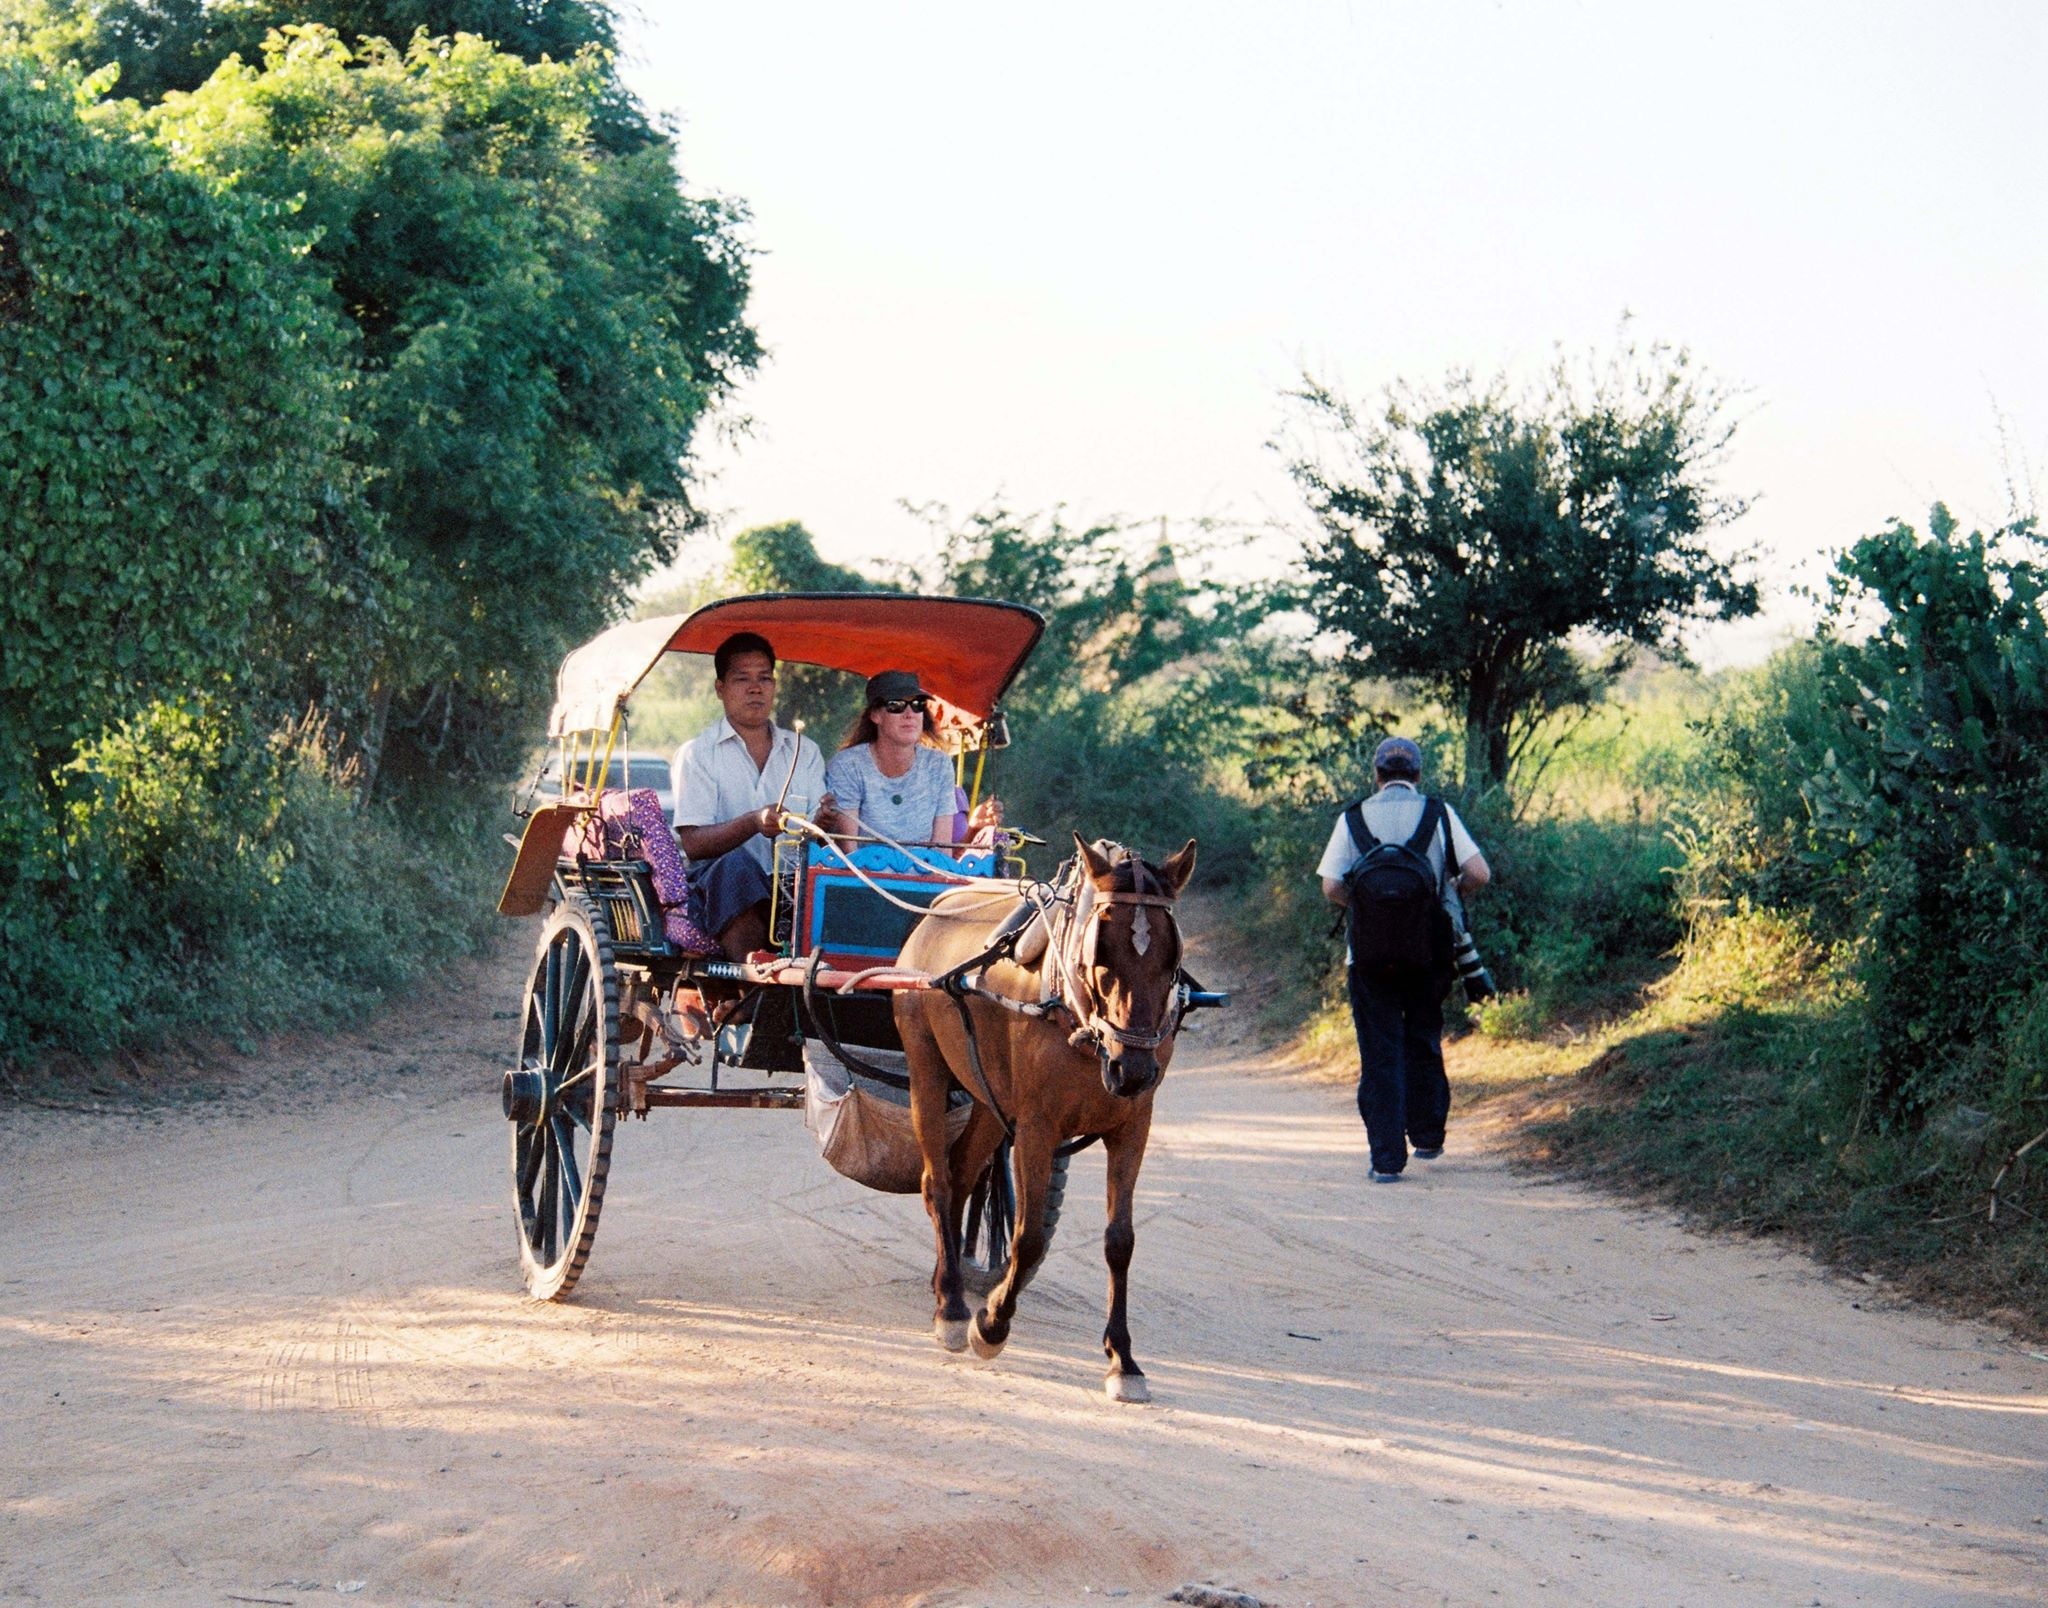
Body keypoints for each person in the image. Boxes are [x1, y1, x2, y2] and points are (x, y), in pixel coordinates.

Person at [1317, 736, 1490, 1182]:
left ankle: (1387, 1161)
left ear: (1376, 775)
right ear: (1417, 775)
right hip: (1428, 952)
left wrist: (1370, 908)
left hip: (1369, 957)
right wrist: (1443, 894)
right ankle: (1429, 1135)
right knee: (1423, 1037)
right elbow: (1478, 873)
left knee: (1380, 1052)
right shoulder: (1439, 813)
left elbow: (1332, 886)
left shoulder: (1352, 818)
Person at [671, 631, 833, 961]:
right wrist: (752, 823)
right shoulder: (698, 754)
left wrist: (825, 823)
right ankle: (752, 992)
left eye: (764, 678)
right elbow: (694, 844)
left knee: (831, 883)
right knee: (736, 867)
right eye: (742, 678)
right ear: (721, 689)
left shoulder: (804, 751)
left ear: (774, 686)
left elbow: (819, 830)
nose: (755, 688)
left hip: (790, 884)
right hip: (717, 888)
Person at [823, 670, 1003, 849]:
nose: (909, 713)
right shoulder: (847, 765)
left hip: (923, 875)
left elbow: (942, 851)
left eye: (918, 704)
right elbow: (849, 853)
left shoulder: (939, 765)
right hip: (858, 875)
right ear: (875, 715)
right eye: (896, 705)